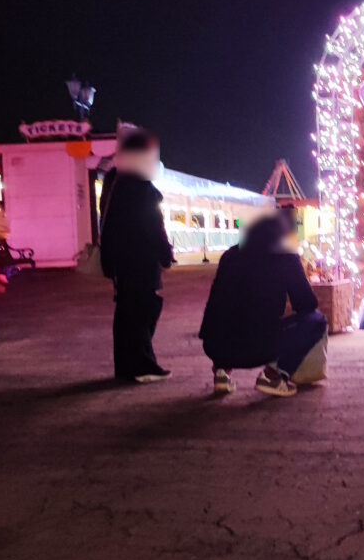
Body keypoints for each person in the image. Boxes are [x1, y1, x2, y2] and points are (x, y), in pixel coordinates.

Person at [198, 211, 328, 398]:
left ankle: (221, 373)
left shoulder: (230, 254)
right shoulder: (285, 256)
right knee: (316, 320)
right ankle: (273, 376)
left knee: (227, 319)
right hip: (258, 348)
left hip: (214, 345)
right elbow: (307, 304)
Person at [100, 130, 174, 383]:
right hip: (141, 259)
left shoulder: (115, 181)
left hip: (121, 260)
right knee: (143, 311)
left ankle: (126, 366)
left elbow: (107, 221)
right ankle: (143, 365)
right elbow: (153, 226)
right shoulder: (141, 188)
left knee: (126, 312)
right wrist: (166, 255)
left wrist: (109, 261)